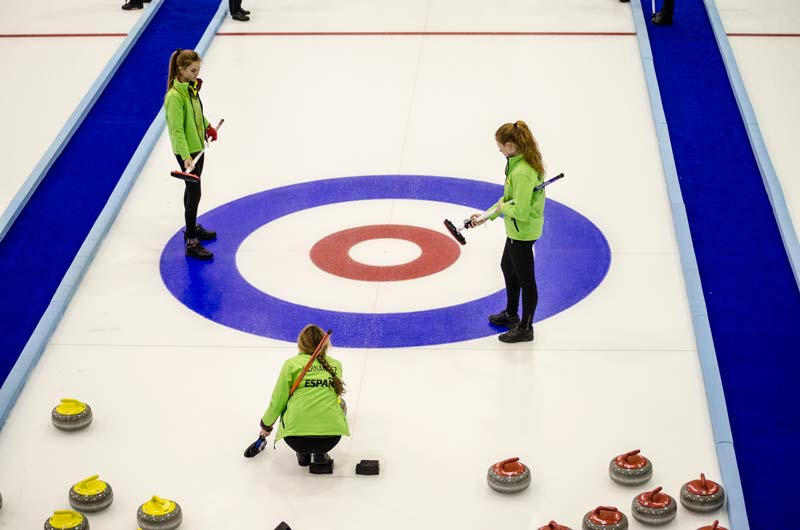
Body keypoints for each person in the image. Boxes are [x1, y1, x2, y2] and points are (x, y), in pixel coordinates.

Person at [470, 121, 546, 343]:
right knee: (507, 267)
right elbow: (508, 198)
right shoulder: (517, 163)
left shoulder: (522, 172)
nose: (500, 150)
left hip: (521, 232)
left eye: (501, 146)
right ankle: (512, 313)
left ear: (511, 145)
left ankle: (525, 327)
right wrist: (486, 215)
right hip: (516, 231)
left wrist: (503, 209)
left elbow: (519, 211)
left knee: (526, 280)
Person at [259, 325, 350, 469]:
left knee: (292, 402)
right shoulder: (336, 365)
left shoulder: (291, 365)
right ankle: (321, 454)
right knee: (341, 403)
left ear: (301, 343)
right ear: (325, 343)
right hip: (330, 439)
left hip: (296, 440)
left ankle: (302, 454)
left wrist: (266, 425)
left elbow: (278, 400)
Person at [164, 49, 219, 260]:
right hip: (188, 152)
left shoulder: (190, 89)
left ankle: (191, 227)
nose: (196, 74)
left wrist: (208, 126)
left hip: (197, 147)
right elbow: (176, 130)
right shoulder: (175, 97)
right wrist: (186, 157)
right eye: (193, 70)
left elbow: (197, 114)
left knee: (192, 191)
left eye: (198, 70)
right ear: (181, 69)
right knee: (195, 193)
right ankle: (191, 241)